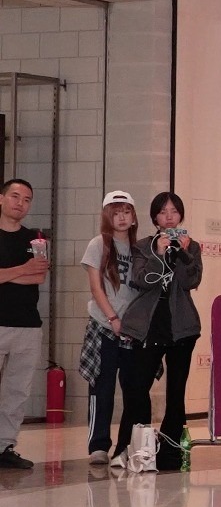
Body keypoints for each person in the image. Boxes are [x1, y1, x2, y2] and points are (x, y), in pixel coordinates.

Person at [123, 193, 205, 472]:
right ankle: (142, 448)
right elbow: (142, 280)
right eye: (162, 212)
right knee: (138, 387)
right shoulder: (142, 246)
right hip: (149, 325)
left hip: (182, 327)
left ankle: (170, 453)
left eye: (174, 211)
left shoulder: (191, 246)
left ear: (181, 215)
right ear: (154, 217)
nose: (169, 217)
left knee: (176, 392)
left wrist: (183, 253)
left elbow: (190, 281)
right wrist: (158, 254)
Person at [81, 191, 148, 467]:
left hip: (133, 330)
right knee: (102, 387)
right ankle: (98, 446)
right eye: (116, 212)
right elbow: (96, 287)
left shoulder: (140, 249)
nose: (122, 217)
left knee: (134, 389)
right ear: (107, 216)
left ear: (134, 217)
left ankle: (130, 444)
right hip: (104, 326)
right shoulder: (98, 244)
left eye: (126, 212)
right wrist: (112, 318)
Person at [0, 179, 47, 471]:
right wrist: (22, 270)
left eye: (27, 199)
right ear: (1, 198)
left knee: (17, 391)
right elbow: (29, 272)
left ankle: (4, 446)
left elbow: (39, 276)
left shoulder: (35, 239)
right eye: (15, 196)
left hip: (28, 325)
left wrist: (7, 274)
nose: (20, 203)